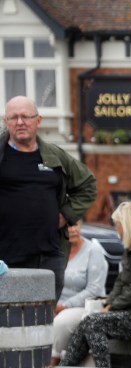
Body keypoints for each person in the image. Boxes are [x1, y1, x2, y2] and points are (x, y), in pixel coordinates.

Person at [0, 96, 97, 301]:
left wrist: (66, 215)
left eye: (26, 116)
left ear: (38, 120)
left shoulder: (54, 155)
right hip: (5, 260)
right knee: (7, 325)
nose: (20, 122)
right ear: (5, 121)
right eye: (13, 117)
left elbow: (88, 185)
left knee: (42, 324)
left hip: (48, 258)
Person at [60, 202, 131, 368]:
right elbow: (122, 281)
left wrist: (112, 307)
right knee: (88, 321)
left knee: (94, 322)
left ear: (126, 224)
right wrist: (109, 303)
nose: (117, 229)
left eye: (118, 224)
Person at [50, 221, 108, 366]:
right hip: (55, 304)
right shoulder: (57, 249)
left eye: (75, 225)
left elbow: (94, 290)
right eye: (68, 227)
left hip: (84, 306)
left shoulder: (93, 251)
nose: (73, 230)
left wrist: (64, 306)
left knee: (60, 323)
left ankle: (52, 361)